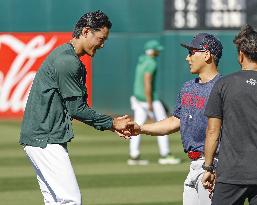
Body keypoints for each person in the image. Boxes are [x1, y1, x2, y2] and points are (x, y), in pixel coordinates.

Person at [19, 10, 133, 205]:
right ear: (86, 31)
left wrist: (111, 124)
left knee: (55, 201)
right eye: (100, 38)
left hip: (40, 138)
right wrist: (112, 123)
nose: (102, 44)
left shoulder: (66, 55)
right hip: (45, 140)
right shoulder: (68, 61)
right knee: (71, 200)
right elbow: (77, 109)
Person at [129, 33, 223, 205]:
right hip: (194, 165)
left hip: (214, 166)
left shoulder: (223, 88)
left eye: (192, 52)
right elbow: (174, 121)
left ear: (207, 54)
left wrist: (212, 167)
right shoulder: (188, 87)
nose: (187, 58)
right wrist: (140, 128)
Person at [202, 25, 257, 205]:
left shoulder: (224, 84)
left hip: (232, 174)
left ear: (241, 54)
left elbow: (212, 131)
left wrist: (208, 166)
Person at [128, 40, 181, 165]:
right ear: (151, 51)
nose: (158, 51)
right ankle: (165, 154)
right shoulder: (151, 62)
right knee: (164, 123)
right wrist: (150, 101)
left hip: (138, 98)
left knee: (137, 126)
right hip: (149, 99)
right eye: (156, 49)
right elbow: (147, 81)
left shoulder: (142, 60)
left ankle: (134, 155)